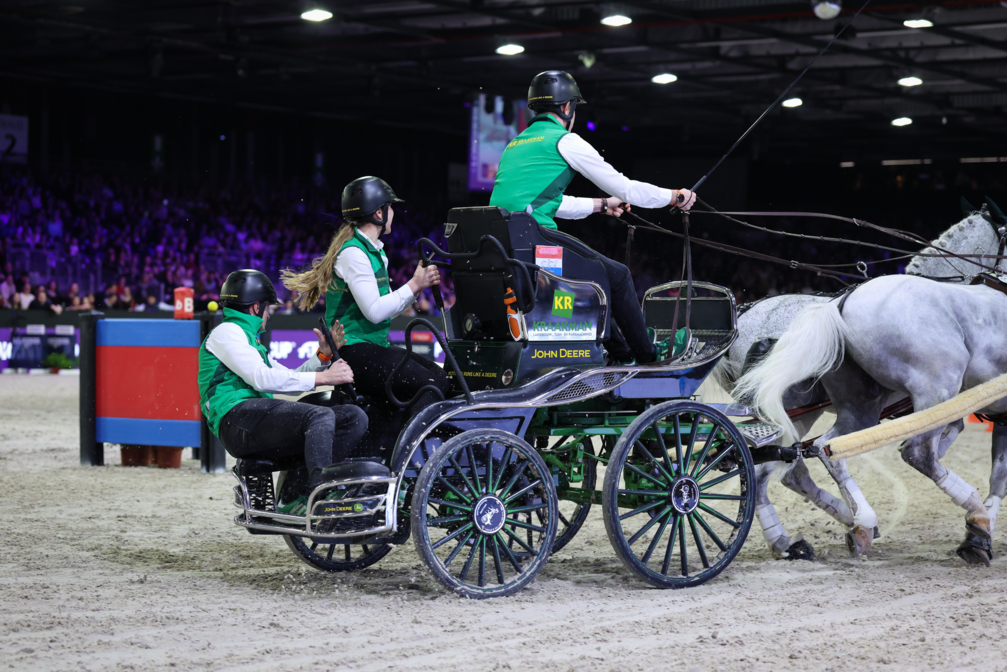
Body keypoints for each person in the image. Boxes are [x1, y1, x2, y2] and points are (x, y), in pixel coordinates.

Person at [489, 70, 697, 364]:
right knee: (618, 276)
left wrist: (602, 205)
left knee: (598, 279)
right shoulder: (565, 141)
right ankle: (648, 356)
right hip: (535, 246)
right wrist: (676, 196)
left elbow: (546, 203)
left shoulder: (515, 144)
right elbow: (626, 188)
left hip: (508, 247)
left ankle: (621, 354)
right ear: (566, 107)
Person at [282, 176, 450, 450]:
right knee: (433, 381)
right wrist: (414, 284)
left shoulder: (373, 253)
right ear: (379, 213)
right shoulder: (354, 254)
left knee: (435, 378)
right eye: (391, 207)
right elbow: (374, 312)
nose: (394, 213)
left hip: (368, 349)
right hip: (354, 352)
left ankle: (387, 456)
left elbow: (383, 310)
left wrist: (415, 288)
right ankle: (409, 459)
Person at [198, 269, 368, 515]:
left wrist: (323, 356)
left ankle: (298, 496)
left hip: (250, 419)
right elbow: (263, 378)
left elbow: (289, 374)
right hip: (235, 420)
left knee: (353, 417)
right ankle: (320, 493)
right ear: (257, 307)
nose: (269, 315)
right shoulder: (228, 332)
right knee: (319, 416)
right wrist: (325, 377)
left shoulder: (248, 339)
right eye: (268, 308)